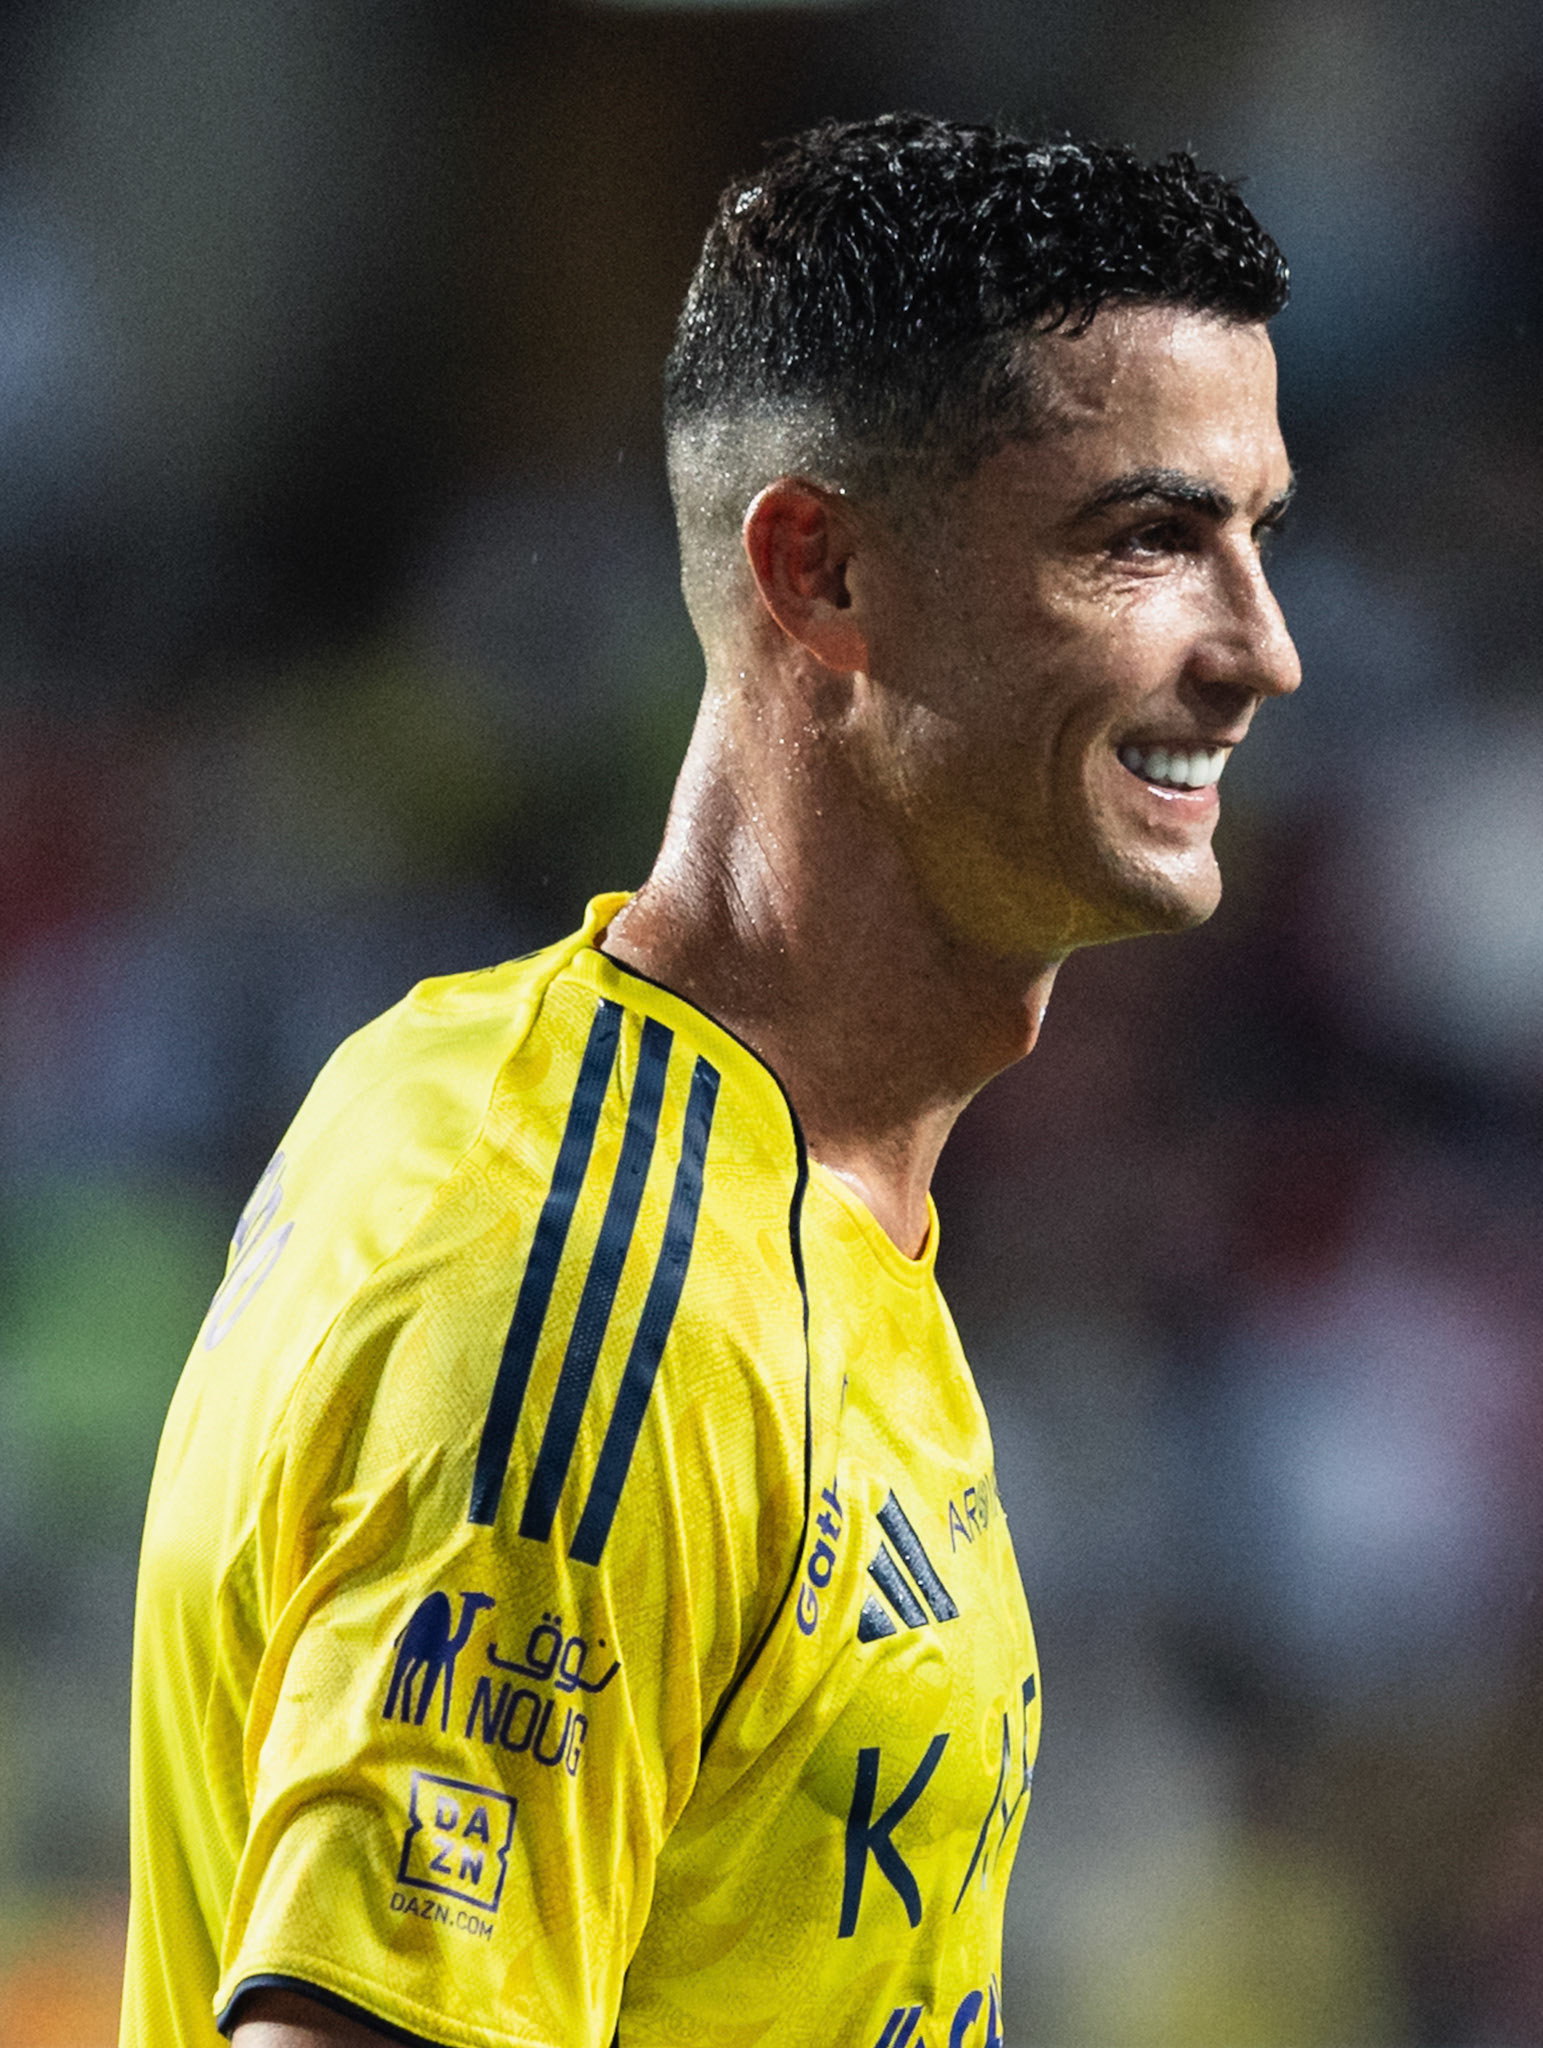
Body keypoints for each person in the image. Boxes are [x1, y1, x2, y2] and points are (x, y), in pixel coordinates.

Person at [120, 111, 1300, 2048]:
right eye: (1148, 540)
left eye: (1260, 536)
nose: (1263, 651)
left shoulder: (739, 1182)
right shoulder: (592, 1277)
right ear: (820, 573)